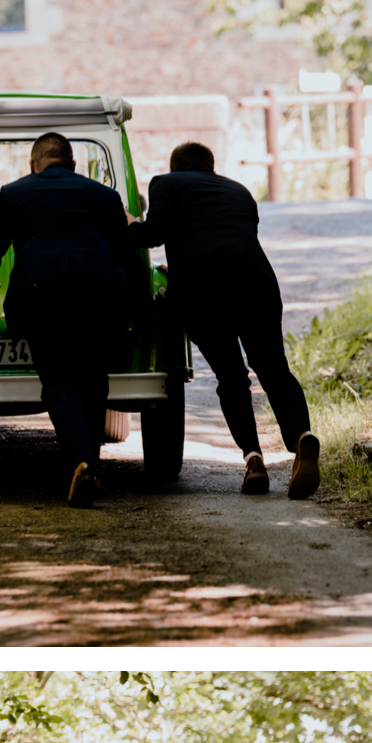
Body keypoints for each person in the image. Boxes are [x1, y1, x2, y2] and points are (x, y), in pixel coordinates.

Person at [0, 131, 147, 508]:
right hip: (102, 291)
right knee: (94, 379)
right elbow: (128, 259)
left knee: (61, 379)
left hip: (42, 293)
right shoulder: (105, 196)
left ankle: (81, 464)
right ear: (74, 164)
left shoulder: (14, 193)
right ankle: (89, 465)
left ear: (34, 164)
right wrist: (135, 309)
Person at [130, 141, 320, 499]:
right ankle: (301, 438)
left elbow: (153, 234)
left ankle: (253, 460)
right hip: (256, 283)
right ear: (211, 168)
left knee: (232, 379)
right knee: (274, 369)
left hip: (204, 292)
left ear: (174, 168)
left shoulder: (165, 183)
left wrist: (128, 224)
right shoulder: (240, 191)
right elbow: (225, 238)